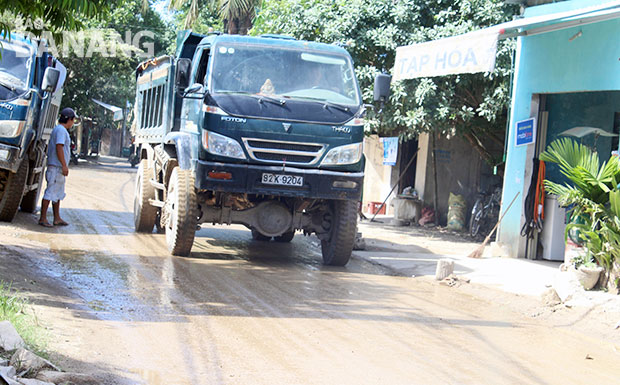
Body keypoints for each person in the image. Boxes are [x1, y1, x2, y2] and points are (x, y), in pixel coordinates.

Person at [38, 107, 77, 227]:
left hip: (57, 167)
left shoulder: (60, 130)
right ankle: (43, 218)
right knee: (50, 192)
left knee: (58, 192)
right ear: (69, 119)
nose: (73, 123)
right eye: (73, 120)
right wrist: (64, 165)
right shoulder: (61, 130)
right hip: (56, 166)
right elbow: (59, 147)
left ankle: (57, 217)